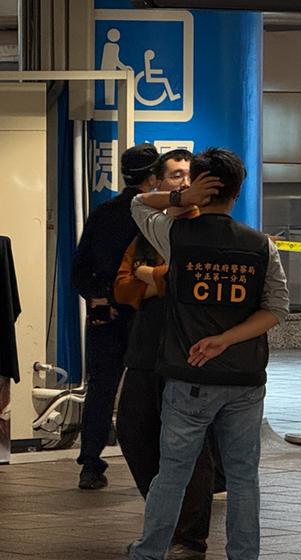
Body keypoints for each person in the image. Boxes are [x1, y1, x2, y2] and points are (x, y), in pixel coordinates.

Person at [128, 148, 289, 560]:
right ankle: (244, 555)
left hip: (189, 378)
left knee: (173, 475)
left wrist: (183, 198)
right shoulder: (260, 246)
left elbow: (137, 202)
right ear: (237, 192)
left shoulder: (174, 236)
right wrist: (228, 339)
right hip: (245, 381)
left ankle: (149, 552)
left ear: (199, 186)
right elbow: (276, 308)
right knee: (242, 478)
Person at [114, 149, 218, 560]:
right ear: (158, 182)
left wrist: (150, 276)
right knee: (133, 430)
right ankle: (163, 517)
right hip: (144, 351)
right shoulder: (145, 230)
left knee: (191, 445)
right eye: (175, 175)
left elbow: (184, 281)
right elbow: (122, 287)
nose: (182, 182)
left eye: (189, 176)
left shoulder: (206, 230)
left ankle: (189, 537)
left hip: (188, 351)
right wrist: (156, 279)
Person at [71, 143, 160, 490]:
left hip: (104, 316)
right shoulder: (155, 217)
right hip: (146, 316)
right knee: (154, 389)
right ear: (153, 177)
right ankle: (156, 465)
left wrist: (97, 299)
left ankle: (90, 464)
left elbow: (79, 269)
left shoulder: (103, 213)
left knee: (101, 388)